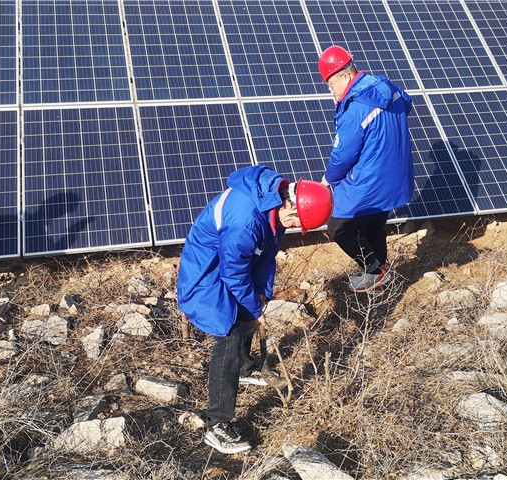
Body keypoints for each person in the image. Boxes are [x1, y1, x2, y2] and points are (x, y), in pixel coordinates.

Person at [176, 165, 333, 455]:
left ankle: (245, 368)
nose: (294, 227)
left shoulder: (274, 207)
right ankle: (216, 425)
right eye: (296, 222)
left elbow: (266, 256)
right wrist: (252, 310)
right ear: (290, 205)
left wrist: (261, 294)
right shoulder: (246, 220)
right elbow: (233, 273)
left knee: (250, 307)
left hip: (230, 265)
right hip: (205, 272)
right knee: (230, 332)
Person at [318, 45, 414, 292]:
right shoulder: (387, 87)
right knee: (373, 224)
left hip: (371, 179)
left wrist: (328, 180)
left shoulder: (355, 107)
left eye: (331, 84)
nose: (331, 91)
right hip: (396, 174)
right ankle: (380, 277)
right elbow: (407, 103)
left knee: (338, 227)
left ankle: (373, 270)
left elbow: (344, 154)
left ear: (345, 76)